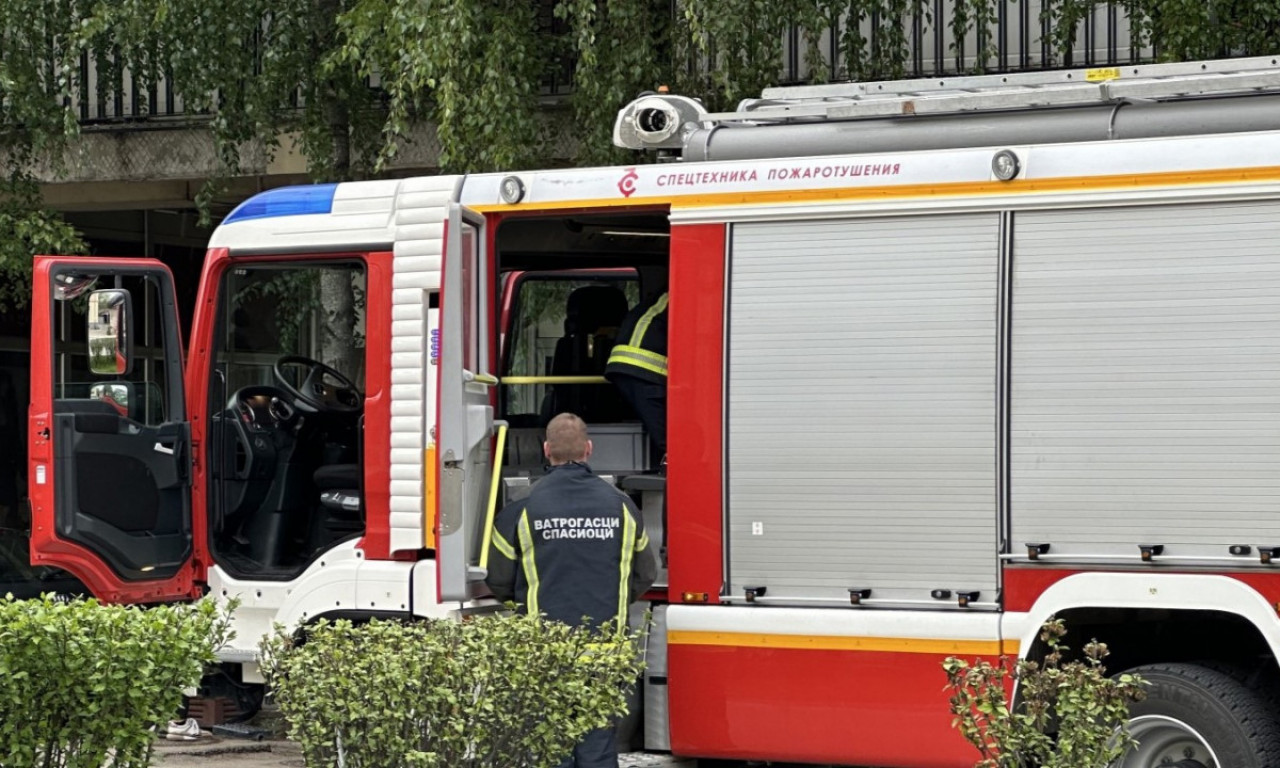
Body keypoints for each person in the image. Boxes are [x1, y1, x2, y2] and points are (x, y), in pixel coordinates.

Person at [486, 412, 658, 768]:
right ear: (589, 449)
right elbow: (645, 574)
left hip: (545, 653)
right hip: (605, 652)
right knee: (597, 744)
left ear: (546, 450)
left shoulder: (521, 508)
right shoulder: (623, 507)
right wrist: (610, 600)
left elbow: (499, 579)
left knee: (552, 743)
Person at [604, 291, 668, 464]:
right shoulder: (680, 293)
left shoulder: (665, 296)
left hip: (630, 366)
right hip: (641, 366)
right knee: (671, 444)